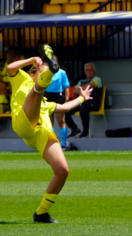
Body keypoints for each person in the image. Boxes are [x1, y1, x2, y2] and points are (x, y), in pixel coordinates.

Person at [7, 45, 93, 223]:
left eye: (52, 73)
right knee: (36, 92)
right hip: (22, 121)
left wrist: (82, 97)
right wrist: (31, 59)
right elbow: (10, 68)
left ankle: (41, 213)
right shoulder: (22, 78)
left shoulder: (45, 103)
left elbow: (66, 107)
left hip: (40, 134)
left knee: (62, 170)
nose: (52, 78)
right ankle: (46, 73)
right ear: (34, 72)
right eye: (46, 72)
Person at [43, 51, 73, 148]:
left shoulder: (62, 73)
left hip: (58, 96)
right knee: (49, 122)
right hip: (47, 96)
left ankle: (63, 143)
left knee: (61, 121)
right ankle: (52, 143)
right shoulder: (45, 72)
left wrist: (67, 100)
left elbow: (66, 86)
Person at [73, 62, 103, 138]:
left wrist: (80, 88)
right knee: (66, 111)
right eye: (87, 70)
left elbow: (91, 85)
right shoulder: (81, 81)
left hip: (92, 103)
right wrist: (84, 88)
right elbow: (74, 91)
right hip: (82, 102)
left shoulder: (97, 79)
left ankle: (85, 131)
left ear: (94, 71)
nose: (89, 71)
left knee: (83, 110)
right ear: (85, 72)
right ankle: (74, 129)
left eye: (91, 70)